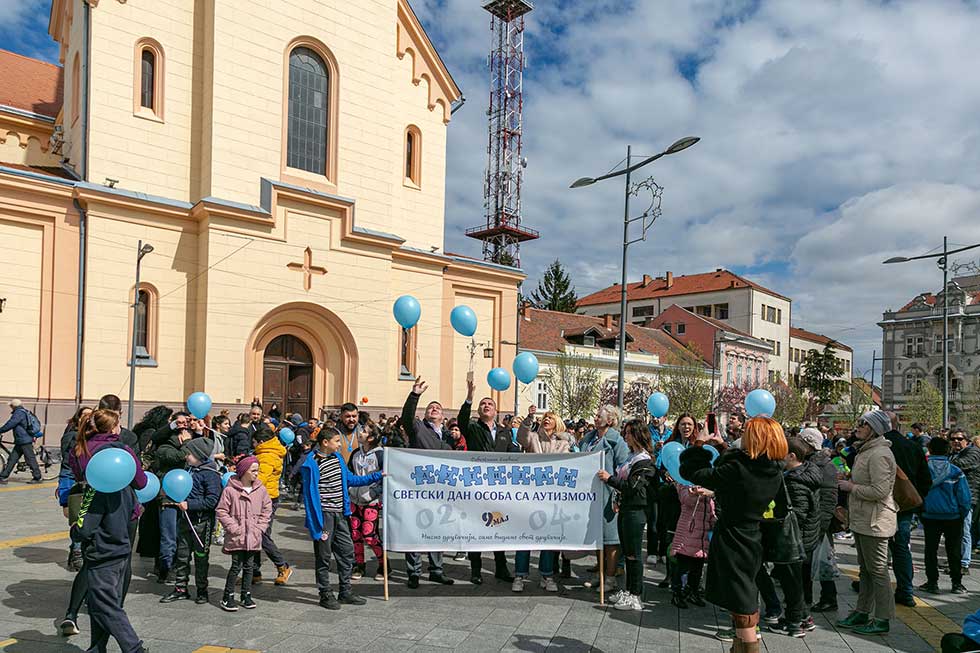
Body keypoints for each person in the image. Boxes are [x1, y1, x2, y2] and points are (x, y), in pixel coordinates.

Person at [679, 416, 785, 653]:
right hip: (752, 536)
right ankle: (739, 648)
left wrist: (699, 446)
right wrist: (722, 447)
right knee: (743, 602)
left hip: (733, 538)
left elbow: (694, 472)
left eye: (748, 432)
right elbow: (737, 469)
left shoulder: (739, 469)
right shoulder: (773, 469)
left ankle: (746, 649)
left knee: (742, 606)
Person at [61, 408, 148, 638]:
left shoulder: (82, 447)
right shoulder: (123, 449)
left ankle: (71, 613)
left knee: (91, 561)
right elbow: (140, 482)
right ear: (112, 427)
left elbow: (76, 474)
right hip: (122, 510)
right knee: (123, 561)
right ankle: (114, 611)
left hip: (89, 505)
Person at [300, 428, 381, 609]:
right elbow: (308, 495)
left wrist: (377, 475)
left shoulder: (337, 459)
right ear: (325, 442)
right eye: (337, 441)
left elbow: (351, 480)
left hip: (340, 514)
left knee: (346, 552)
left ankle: (345, 591)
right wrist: (315, 523)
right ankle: (325, 593)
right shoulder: (311, 463)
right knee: (324, 556)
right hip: (324, 517)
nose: (340, 444)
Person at [400, 376, 470, 587]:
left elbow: (464, 421)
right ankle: (413, 572)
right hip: (419, 488)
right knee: (415, 530)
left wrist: (469, 399)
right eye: (430, 407)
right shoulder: (418, 428)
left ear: (444, 416)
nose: (434, 408)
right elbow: (406, 417)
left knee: (437, 530)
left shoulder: (450, 436)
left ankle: (436, 570)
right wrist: (415, 395)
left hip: (441, 491)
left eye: (437, 407)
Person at [836, 410, 898, 635]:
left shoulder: (879, 454)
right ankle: (862, 611)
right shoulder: (866, 450)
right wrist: (849, 479)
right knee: (866, 571)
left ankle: (882, 618)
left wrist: (852, 487)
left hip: (876, 521)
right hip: (863, 519)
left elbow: (881, 491)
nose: (857, 427)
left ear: (873, 429)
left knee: (878, 571)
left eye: (862, 423)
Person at [73, 481, 147, 652]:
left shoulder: (97, 491)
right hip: (120, 553)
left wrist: (74, 530)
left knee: (106, 606)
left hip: (103, 555)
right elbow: (133, 514)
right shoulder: (127, 488)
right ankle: (97, 648)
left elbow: (84, 529)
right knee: (98, 605)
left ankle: (134, 648)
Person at [595, 418, 658, 611]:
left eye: (629, 433)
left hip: (636, 511)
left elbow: (632, 487)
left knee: (633, 555)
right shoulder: (632, 456)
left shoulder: (644, 461)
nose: (626, 436)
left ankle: (636, 595)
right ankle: (629, 591)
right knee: (628, 552)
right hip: (625, 509)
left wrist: (610, 479)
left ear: (638, 435)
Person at [511, 406, 572, 593]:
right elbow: (521, 438)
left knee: (547, 538)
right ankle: (520, 575)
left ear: (557, 423)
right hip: (530, 495)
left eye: (551, 417)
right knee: (525, 536)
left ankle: (547, 575)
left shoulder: (563, 444)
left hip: (551, 497)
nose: (546, 419)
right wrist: (529, 418)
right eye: (545, 417)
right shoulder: (533, 437)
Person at [460, 389, 518, 584]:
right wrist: (469, 398)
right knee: (476, 528)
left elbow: (513, 454)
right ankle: (475, 570)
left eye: (490, 404)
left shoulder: (504, 432)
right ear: (479, 409)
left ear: (496, 411)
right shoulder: (472, 428)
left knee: (498, 528)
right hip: (477, 487)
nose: (486, 406)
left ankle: (501, 568)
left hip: (499, 488)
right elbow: (461, 420)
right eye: (483, 404)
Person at [768, 436, 822, 638]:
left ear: (792, 455)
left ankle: (794, 623)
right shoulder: (806, 472)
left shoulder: (796, 481)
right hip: (803, 537)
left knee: (792, 582)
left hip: (794, 539)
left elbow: (797, 515)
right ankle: (804, 618)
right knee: (794, 580)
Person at [878, 411, 931, 607]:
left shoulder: (877, 446)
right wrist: (915, 499)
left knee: (876, 548)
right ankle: (905, 591)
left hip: (879, 504)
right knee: (901, 548)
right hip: (904, 507)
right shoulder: (913, 447)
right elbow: (926, 479)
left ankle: (874, 588)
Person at [160, 437, 221, 604]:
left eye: (190, 454)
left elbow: (212, 500)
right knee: (182, 555)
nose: (186, 457)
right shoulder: (188, 471)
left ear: (200, 456)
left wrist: (190, 504)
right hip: (185, 520)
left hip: (202, 523)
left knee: (201, 557)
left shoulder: (210, 475)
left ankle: (202, 590)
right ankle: (181, 588)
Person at [580, 405, 629, 593]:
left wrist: (613, 483)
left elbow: (624, 469)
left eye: (599, 415)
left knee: (610, 538)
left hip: (609, 494)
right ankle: (599, 574)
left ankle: (610, 577)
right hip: (589, 495)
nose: (595, 417)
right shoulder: (589, 439)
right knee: (597, 535)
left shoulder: (617, 442)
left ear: (610, 420)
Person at [216, 455, 272, 612]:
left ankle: (246, 594)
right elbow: (221, 511)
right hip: (237, 536)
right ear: (244, 471)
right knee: (236, 566)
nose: (256, 473)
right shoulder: (230, 490)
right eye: (253, 470)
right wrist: (234, 528)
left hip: (253, 536)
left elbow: (267, 509)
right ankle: (228, 596)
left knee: (249, 566)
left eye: (257, 470)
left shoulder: (260, 489)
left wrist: (260, 528)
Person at [920, 437, 971, 594]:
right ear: (947, 450)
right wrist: (962, 513)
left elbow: (918, 493)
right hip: (953, 517)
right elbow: (964, 497)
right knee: (954, 551)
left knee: (930, 550)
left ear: (930, 449)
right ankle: (956, 583)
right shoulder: (955, 471)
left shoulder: (923, 469)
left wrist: (921, 512)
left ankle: (932, 582)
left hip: (929, 516)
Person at [799, 428, 842, 613]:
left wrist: (822, 525)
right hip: (809, 520)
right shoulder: (808, 462)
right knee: (806, 562)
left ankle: (828, 598)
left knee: (821, 561)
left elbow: (829, 498)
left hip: (818, 522)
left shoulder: (824, 466)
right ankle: (805, 597)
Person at [252, 425, 293, 586]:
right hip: (267, 497)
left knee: (261, 535)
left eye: (254, 442)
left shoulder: (267, 456)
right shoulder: (269, 452)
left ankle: (282, 566)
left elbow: (259, 479)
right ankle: (254, 572)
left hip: (265, 499)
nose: (253, 445)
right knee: (257, 535)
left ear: (261, 442)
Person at [669, 480, 715, 610]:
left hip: (701, 536)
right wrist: (693, 492)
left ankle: (692, 591)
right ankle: (677, 593)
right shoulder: (684, 483)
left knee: (697, 567)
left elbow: (710, 509)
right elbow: (685, 500)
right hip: (688, 532)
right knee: (683, 566)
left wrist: (713, 519)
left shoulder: (707, 486)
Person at [348, 421, 385, 581]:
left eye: (363, 430)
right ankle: (359, 565)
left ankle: (383, 565)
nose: (359, 431)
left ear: (370, 438)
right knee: (355, 534)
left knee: (369, 535)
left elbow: (386, 477)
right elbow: (350, 473)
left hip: (371, 501)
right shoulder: (356, 453)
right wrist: (349, 490)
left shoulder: (380, 454)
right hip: (354, 500)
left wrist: (374, 492)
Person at [59, 406, 93, 572]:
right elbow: (66, 465)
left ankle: (76, 551)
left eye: (90, 415)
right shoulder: (71, 435)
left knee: (84, 519)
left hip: (89, 482)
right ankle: (77, 552)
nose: (87, 417)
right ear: (78, 418)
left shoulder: (93, 437)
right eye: (84, 415)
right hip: (73, 481)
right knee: (76, 519)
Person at [950, 428, 980, 578]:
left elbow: (961, 465)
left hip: (968, 498)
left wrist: (945, 459)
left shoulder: (973, 452)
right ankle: (956, 560)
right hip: (955, 497)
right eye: (953, 439)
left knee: (965, 531)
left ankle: (964, 563)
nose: (955, 441)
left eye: (959, 439)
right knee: (956, 531)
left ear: (967, 441)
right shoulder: (955, 454)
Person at [0, 398, 42, 483]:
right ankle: (3, 476)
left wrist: (1, 430)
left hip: (24, 440)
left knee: (30, 459)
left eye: (11, 406)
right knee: (12, 459)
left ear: (13, 406)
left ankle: (37, 477)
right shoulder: (22, 411)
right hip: (21, 440)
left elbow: (10, 424)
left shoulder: (18, 413)